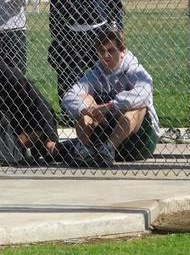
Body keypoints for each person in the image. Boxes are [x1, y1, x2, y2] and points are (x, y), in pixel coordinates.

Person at [48, 0, 123, 114]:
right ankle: (71, 111)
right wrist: (57, 32)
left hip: (97, 30)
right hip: (72, 31)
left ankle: (103, 108)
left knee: (102, 71)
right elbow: (56, 5)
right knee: (69, 73)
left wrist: (116, 26)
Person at [61, 29, 159, 165]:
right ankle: (84, 149)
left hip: (138, 143)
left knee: (138, 106)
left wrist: (110, 106)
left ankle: (109, 148)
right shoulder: (96, 72)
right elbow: (69, 96)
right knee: (84, 98)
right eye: (102, 51)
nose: (105, 55)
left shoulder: (135, 71)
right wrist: (86, 110)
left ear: (123, 51)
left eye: (111, 50)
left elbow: (144, 93)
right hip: (103, 136)